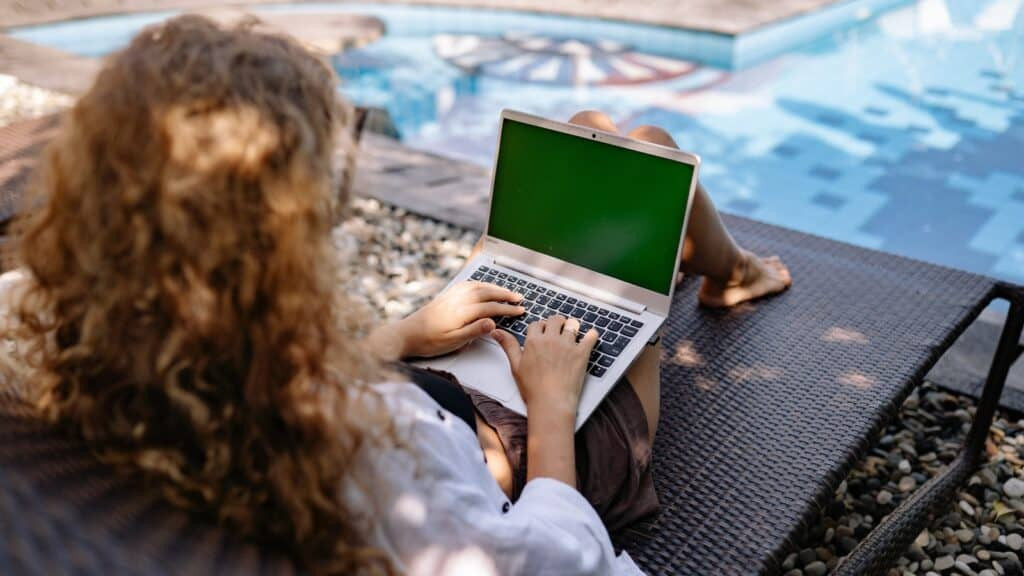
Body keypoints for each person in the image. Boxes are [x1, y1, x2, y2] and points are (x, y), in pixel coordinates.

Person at [0, 15, 789, 576]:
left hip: (444, 390)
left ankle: (708, 268)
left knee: (598, 137)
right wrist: (551, 405)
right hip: (538, 450)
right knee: (646, 156)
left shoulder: (61, 338)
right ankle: (731, 272)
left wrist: (400, 335)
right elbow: (561, 559)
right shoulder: (368, 449)